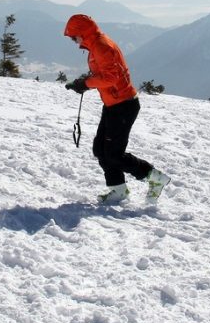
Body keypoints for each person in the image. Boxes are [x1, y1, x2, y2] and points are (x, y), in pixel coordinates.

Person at [63, 14, 170, 204]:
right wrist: (82, 82)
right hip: (114, 104)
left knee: (113, 153)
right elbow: (104, 74)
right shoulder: (96, 45)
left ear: (83, 32)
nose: (73, 41)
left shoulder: (102, 46)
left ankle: (155, 177)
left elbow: (111, 78)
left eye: (73, 36)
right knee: (101, 149)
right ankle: (118, 190)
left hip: (124, 105)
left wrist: (85, 83)